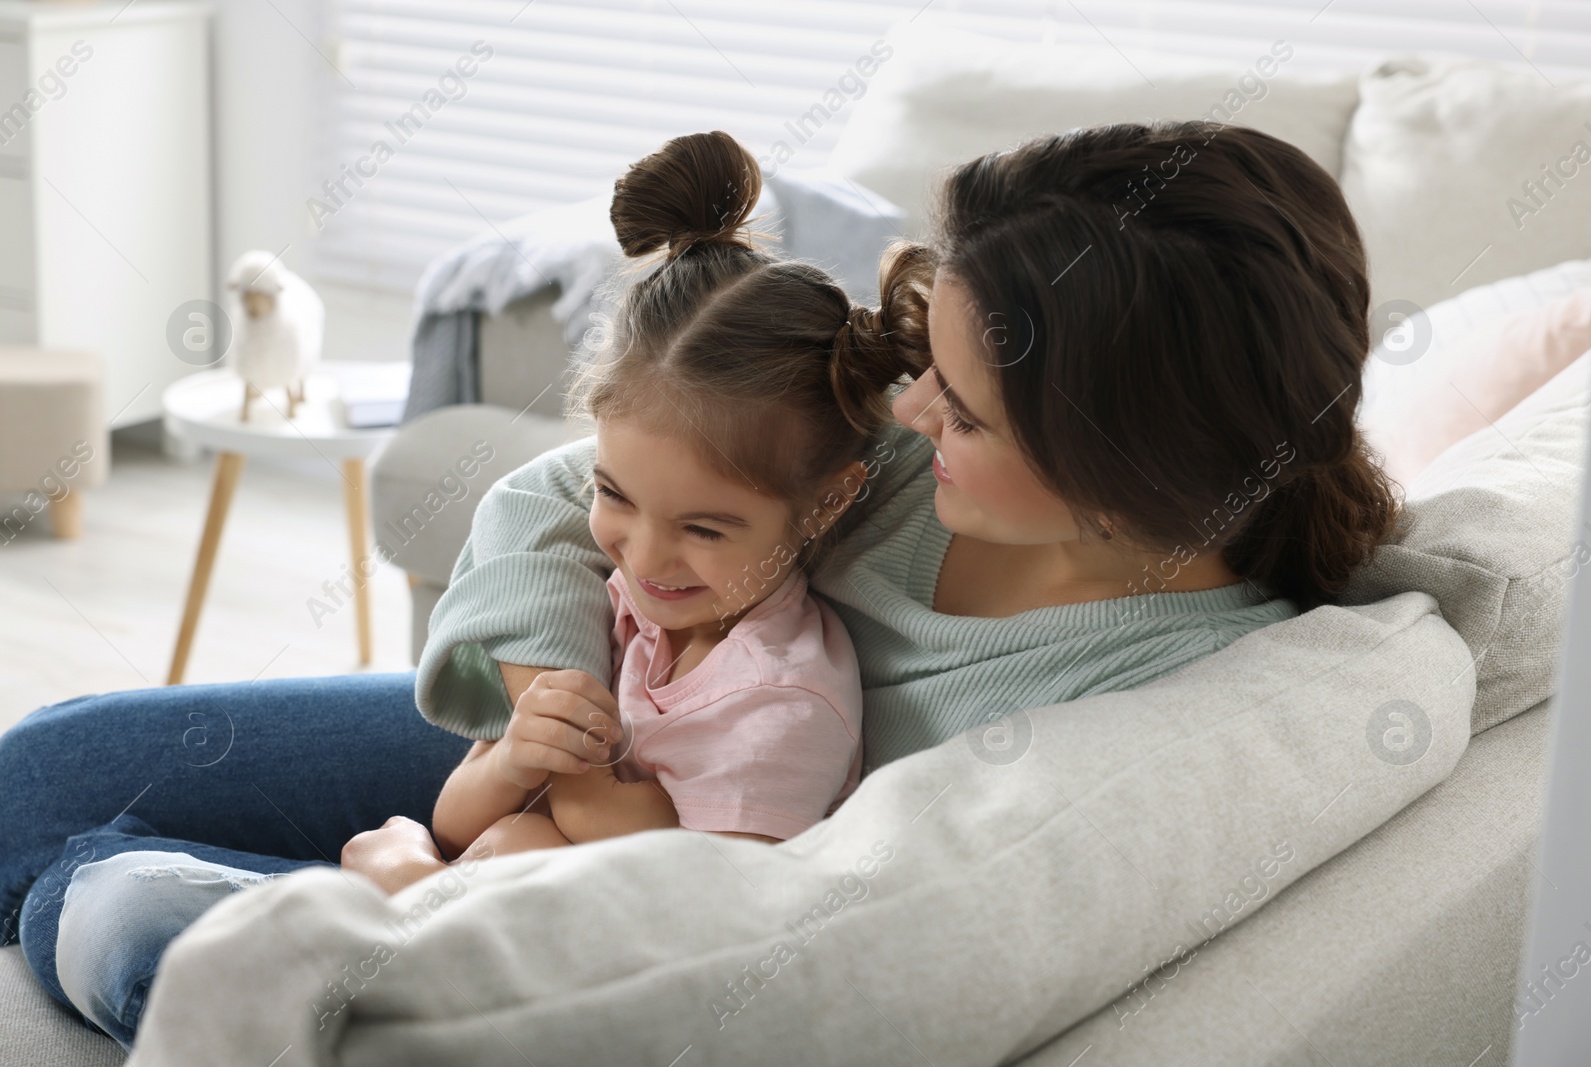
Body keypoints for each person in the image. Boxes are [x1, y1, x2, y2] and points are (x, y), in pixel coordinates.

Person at [0, 120, 1396, 1048]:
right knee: (35, 779)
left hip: (652, 844)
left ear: (1123, 464)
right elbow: (557, 493)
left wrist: (566, 829)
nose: (911, 419)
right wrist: (557, 694)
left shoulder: (1159, 687)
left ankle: (215, 924)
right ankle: (236, 906)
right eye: (930, 376)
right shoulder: (908, 465)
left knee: (124, 905)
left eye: (963, 408)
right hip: (582, 728)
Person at [427, 130, 921, 872]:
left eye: (705, 528)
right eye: (611, 493)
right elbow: (456, 824)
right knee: (449, 839)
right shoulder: (635, 607)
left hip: (636, 960)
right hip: (506, 909)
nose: (644, 556)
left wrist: (562, 797)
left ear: (826, 503)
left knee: (421, 848)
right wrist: (512, 764)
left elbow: (712, 912)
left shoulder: (780, 703)